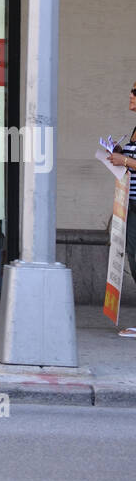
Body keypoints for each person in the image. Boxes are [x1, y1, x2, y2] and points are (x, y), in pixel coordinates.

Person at [106, 80, 136, 337]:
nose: (130, 95)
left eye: (135, 92)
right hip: (131, 203)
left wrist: (124, 159)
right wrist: (117, 153)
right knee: (134, 259)